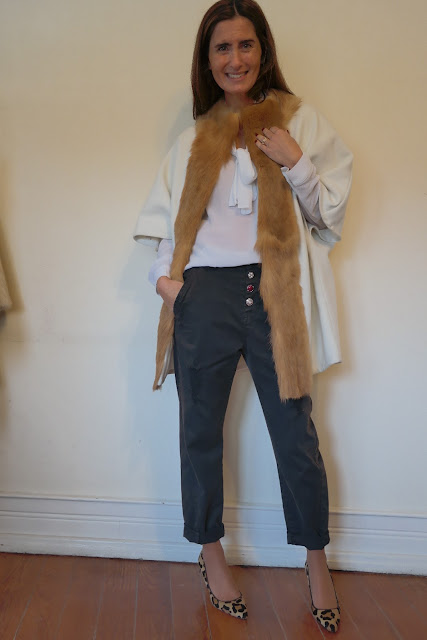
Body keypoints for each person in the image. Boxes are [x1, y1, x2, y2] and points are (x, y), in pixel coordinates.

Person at [133, 0, 352, 632]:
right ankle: (210, 554)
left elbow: (327, 215)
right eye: (222, 48)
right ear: (208, 60)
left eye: (246, 44)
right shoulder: (192, 138)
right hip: (204, 294)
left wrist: (295, 158)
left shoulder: (299, 121)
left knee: (295, 433)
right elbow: (164, 225)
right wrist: (169, 287)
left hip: (274, 291)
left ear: (264, 49)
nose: (236, 58)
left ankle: (316, 560)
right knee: (199, 430)